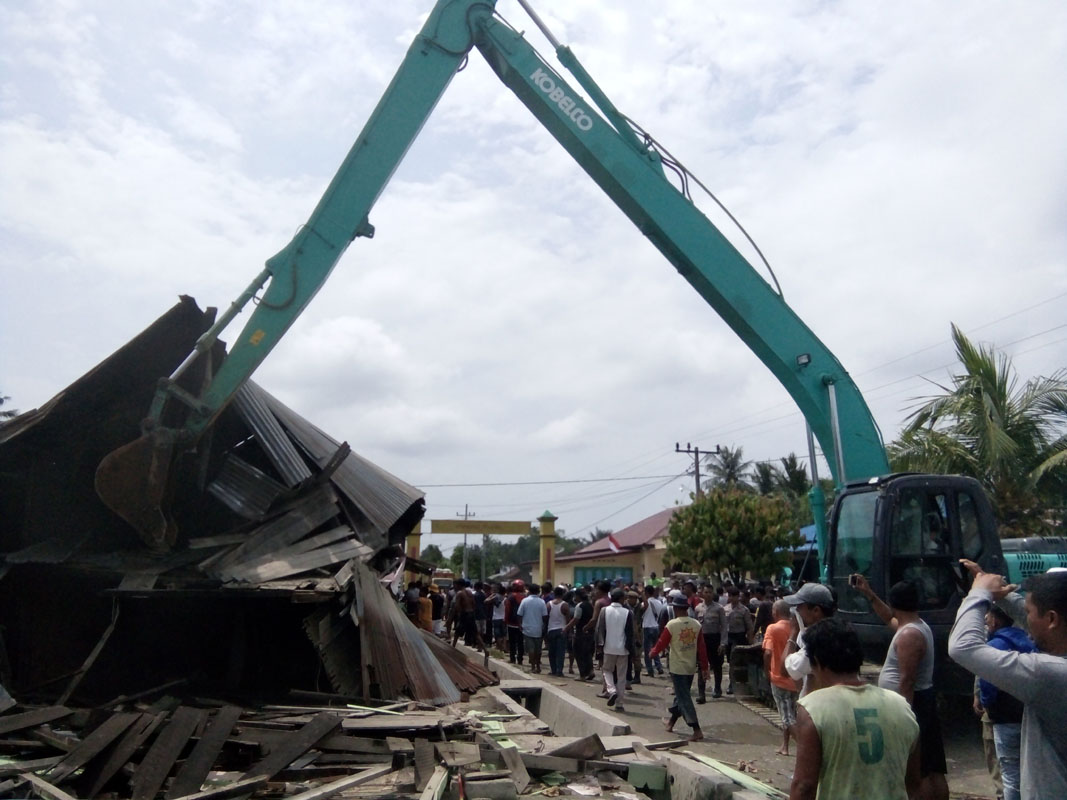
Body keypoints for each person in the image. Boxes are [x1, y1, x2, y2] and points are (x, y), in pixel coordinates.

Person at [948, 562, 1067, 799]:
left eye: (1030, 612)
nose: (1026, 621)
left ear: (1052, 618)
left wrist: (979, 595)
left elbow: (962, 647)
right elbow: (1038, 620)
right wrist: (1002, 597)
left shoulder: (1050, 673)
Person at [790, 618, 920, 800]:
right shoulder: (902, 707)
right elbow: (914, 782)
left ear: (817, 662)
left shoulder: (813, 708)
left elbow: (804, 786)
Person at [852, 576, 948, 800]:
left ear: (896, 604)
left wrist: (901, 715)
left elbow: (907, 680)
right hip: (921, 701)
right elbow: (888, 619)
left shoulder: (909, 636)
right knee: (932, 765)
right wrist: (870, 594)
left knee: (920, 768)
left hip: (914, 704)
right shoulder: (913, 626)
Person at [976, 605, 1035, 800]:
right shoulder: (1029, 642)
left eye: (988, 617)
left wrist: (986, 703)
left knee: (1010, 777)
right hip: (1030, 717)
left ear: (995, 621)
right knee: (1033, 772)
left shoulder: (993, 647)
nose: (985, 620)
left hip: (1005, 720)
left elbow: (988, 685)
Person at [650, 592, 709, 741]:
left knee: (684, 698)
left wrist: (652, 653)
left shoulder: (672, 625)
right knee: (680, 695)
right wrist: (704, 667)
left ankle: (696, 729)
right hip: (690, 667)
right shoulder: (696, 625)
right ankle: (670, 723)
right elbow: (702, 648)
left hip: (677, 667)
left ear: (676, 608)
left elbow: (661, 643)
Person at [783, 582, 836, 696]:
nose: (796, 610)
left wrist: (793, 632)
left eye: (800, 607)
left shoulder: (818, 640)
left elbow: (785, 669)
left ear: (816, 610)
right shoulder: (840, 632)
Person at [763, 599, 800, 755]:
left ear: (775, 612)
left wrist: (767, 672)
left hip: (779, 679)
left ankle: (806, 746)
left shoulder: (772, 628)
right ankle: (785, 746)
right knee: (792, 713)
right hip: (796, 678)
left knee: (786, 717)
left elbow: (768, 652)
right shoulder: (795, 628)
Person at [596, 588, 634, 710]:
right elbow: (630, 633)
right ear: (622, 599)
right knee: (621, 676)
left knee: (607, 671)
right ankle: (619, 703)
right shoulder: (628, 613)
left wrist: (599, 647)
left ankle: (611, 690)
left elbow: (599, 630)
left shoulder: (604, 611)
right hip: (623, 649)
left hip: (608, 647)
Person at [696, 584, 727, 702]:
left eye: (710, 592)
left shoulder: (719, 608)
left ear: (713, 594)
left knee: (717, 666)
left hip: (715, 639)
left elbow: (724, 626)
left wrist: (723, 643)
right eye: (706, 592)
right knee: (701, 666)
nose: (708, 594)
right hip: (703, 640)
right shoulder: (698, 608)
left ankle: (718, 688)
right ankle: (701, 693)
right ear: (702, 594)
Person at [723, 586, 754, 694]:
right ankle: (733, 682)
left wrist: (750, 640)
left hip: (739, 637)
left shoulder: (744, 610)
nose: (731, 598)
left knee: (735, 661)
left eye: (734, 596)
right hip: (728, 637)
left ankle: (734, 684)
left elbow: (749, 627)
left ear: (738, 597)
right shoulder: (725, 609)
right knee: (730, 661)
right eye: (730, 596)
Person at [517, 583, 549, 673]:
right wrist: (544, 626)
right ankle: (538, 666)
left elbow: (519, 614)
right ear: (538, 591)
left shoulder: (525, 601)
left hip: (527, 628)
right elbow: (545, 616)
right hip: (539, 628)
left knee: (531, 648)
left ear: (529, 591)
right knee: (538, 649)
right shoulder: (542, 602)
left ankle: (533, 666)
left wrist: (520, 624)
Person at [567, 586, 596, 681]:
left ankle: (582, 675)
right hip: (590, 632)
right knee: (587, 653)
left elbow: (576, 619)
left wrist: (566, 627)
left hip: (580, 632)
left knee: (578, 654)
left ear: (578, 596)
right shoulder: (590, 605)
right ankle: (590, 671)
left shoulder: (579, 606)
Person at [546, 586, 572, 677]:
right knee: (560, 652)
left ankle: (553, 670)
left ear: (554, 593)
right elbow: (568, 619)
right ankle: (559, 671)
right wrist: (569, 631)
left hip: (551, 630)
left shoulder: (549, 604)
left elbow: (546, 618)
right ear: (562, 594)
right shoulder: (565, 605)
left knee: (551, 652)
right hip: (562, 630)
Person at [640, 585, 666, 677]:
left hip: (647, 627)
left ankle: (650, 670)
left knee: (647, 651)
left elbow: (642, 610)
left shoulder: (645, 603)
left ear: (646, 593)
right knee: (656, 649)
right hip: (656, 627)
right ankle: (659, 667)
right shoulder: (659, 602)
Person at [504, 580, 526, 666]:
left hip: (511, 623)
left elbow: (507, 610)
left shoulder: (510, 597)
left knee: (512, 642)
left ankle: (512, 658)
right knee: (520, 642)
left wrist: (505, 621)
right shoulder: (525, 597)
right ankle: (520, 659)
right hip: (521, 623)